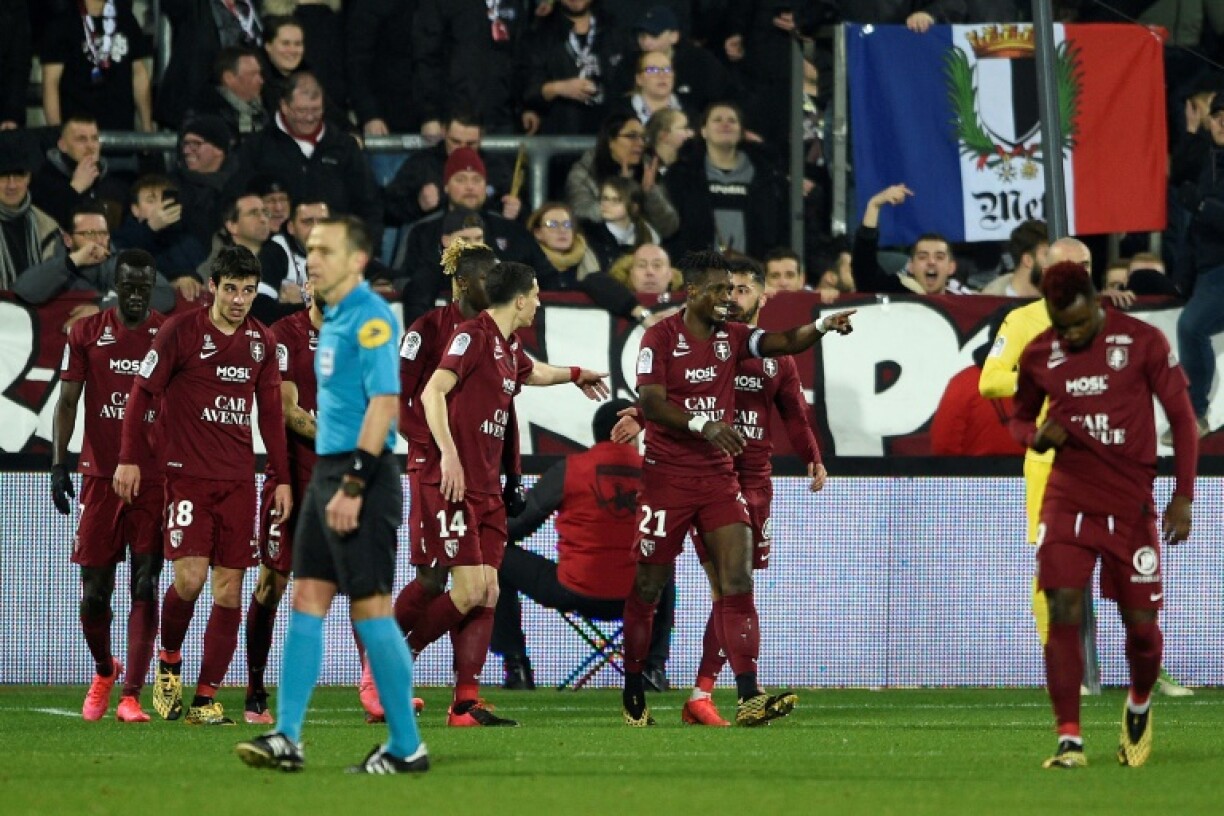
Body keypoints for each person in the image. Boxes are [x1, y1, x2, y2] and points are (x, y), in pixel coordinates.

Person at [621, 249, 854, 727]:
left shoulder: (735, 338)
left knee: (737, 582)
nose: (728, 299)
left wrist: (823, 326)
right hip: (667, 478)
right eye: (719, 291)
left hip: (720, 479)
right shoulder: (659, 337)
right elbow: (652, 402)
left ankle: (748, 695)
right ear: (693, 293)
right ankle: (633, 685)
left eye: (733, 290)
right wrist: (704, 423)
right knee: (649, 584)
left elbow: (785, 341)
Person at [236, 215, 428, 774]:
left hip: (359, 478)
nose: (312, 258)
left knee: (371, 611)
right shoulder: (335, 319)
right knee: (307, 601)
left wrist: (352, 483)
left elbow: (384, 405)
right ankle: (287, 736)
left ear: (357, 260)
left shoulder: (370, 319)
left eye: (325, 249)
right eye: (310, 249)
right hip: (327, 474)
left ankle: (406, 746)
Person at [1009, 261, 1199, 769]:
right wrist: (1033, 437)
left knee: (1141, 629)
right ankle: (1069, 739)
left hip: (1130, 506)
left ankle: (1138, 702)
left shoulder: (1143, 342)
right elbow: (1020, 417)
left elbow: (1182, 418)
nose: (1068, 334)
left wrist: (1184, 495)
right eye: (1059, 324)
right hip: (1068, 499)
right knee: (1063, 611)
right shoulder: (1038, 353)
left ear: (1096, 302)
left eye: (1077, 323)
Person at [981, 237, 1191, 697]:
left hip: (1117, 468)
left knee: (1130, 567)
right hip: (1052, 466)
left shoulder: (1113, 324)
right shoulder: (1022, 321)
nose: (1078, 274)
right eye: (1069, 267)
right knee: (1055, 571)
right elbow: (990, 379)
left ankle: (1146, 668)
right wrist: (1047, 378)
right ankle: (1064, 671)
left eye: (1086, 265)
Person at [406, 260, 610, 726]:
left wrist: (577, 373)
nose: (539, 302)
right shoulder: (472, 337)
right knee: (469, 588)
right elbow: (433, 393)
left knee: (491, 589)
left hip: (487, 489)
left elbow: (533, 373)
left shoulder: (507, 345)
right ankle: (399, 658)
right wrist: (450, 455)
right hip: (457, 484)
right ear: (519, 299)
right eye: (535, 294)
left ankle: (465, 704)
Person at [113, 245, 292, 726]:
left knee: (230, 590)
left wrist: (282, 479)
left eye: (248, 290)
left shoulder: (262, 342)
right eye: (231, 289)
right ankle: (169, 660)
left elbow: (271, 416)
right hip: (186, 474)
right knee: (189, 580)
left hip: (237, 480)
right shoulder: (180, 331)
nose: (239, 299)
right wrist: (129, 458)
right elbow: (141, 394)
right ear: (213, 286)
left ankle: (205, 699)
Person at [387, 238, 500, 721]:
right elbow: (399, 399)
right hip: (439, 471)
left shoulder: (497, 334)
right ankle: (384, 660)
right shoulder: (427, 329)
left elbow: (504, 407)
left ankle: (466, 698)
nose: (494, 285)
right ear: (461, 282)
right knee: (436, 579)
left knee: (485, 586)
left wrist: (509, 471)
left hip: (482, 476)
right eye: (486, 276)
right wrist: (437, 452)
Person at [51, 249, 166, 723]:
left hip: (154, 479)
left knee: (146, 580)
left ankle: (132, 695)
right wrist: (60, 466)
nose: (136, 293)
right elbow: (67, 401)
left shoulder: (170, 334)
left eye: (144, 285)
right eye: (129, 285)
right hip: (99, 478)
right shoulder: (86, 333)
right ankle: (104, 669)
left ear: (152, 284)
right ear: (116, 284)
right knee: (95, 594)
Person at [491, 397, 675, 690]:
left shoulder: (572, 469)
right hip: (637, 597)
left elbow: (519, 524)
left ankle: (517, 668)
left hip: (572, 590)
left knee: (495, 557)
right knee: (662, 563)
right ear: (629, 433)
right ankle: (653, 668)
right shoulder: (657, 474)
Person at [396, 148, 548, 323]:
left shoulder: (512, 230)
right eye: (461, 179)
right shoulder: (422, 231)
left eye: (477, 180)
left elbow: (546, 278)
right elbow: (402, 280)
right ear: (445, 185)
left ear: (485, 186)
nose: (470, 186)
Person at [238, 71, 383, 242]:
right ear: (284, 106)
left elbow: (369, 203)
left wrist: (367, 247)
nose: (309, 117)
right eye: (301, 110)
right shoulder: (257, 146)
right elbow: (241, 200)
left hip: (336, 247)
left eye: (315, 110)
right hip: (273, 248)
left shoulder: (344, 146)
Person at [14, 203, 178, 328]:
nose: (99, 240)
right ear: (68, 240)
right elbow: (23, 293)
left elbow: (164, 295)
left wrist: (102, 309)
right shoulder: (56, 265)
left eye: (103, 233)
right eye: (89, 234)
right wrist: (73, 261)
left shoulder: (122, 262)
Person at [664, 101, 788, 259]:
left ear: (741, 132)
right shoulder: (681, 175)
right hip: (697, 273)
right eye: (717, 120)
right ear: (703, 131)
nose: (725, 125)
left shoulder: (767, 176)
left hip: (753, 273)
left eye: (732, 121)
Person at [384, 112, 518, 229]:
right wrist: (418, 204)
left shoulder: (496, 167)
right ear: (443, 132)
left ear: (481, 137)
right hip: (430, 243)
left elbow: (523, 209)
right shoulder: (422, 164)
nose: (462, 149)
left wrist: (514, 210)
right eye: (455, 141)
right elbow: (386, 210)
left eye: (471, 143)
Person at [39, 0, 153, 132]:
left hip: (122, 132)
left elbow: (138, 74)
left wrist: (147, 126)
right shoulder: (62, 23)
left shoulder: (126, 19)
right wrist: (56, 134)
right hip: (78, 137)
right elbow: (51, 83)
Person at [565, 112, 678, 239]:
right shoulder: (585, 171)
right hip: (597, 246)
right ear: (610, 141)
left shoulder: (648, 170)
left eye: (643, 138)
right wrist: (623, 193)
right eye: (632, 136)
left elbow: (669, 227)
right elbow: (581, 214)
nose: (640, 143)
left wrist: (650, 194)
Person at [852, 183, 974, 295]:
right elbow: (865, 272)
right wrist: (874, 206)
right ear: (911, 266)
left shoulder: (966, 301)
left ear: (951, 267)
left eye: (939, 257)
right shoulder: (898, 293)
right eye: (922, 257)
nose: (931, 262)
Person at [111, 174, 208, 298]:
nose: (159, 206)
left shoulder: (186, 238)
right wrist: (150, 229)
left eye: (164, 199)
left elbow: (204, 269)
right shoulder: (123, 237)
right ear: (135, 209)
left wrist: (192, 278)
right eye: (151, 201)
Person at [29, 116, 130, 231]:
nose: (90, 146)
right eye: (81, 139)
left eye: (94, 138)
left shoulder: (113, 183)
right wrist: (75, 188)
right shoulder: (42, 181)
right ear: (63, 145)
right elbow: (45, 226)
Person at [0, 140, 61, 291]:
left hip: (36, 309)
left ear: (29, 178)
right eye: (3, 176)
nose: (12, 185)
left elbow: (55, 280)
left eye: (19, 175)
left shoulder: (47, 226)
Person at [189, 45, 268, 140]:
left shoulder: (262, 113)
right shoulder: (204, 116)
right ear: (229, 78)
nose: (261, 80)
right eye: (252, 74)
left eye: (259, 73)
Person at [582, 176, 660, 271]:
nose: (606, 204)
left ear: (634, 207)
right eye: (605, 198)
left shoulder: (649, 235)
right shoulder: (590, 233)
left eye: (616, 200)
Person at [527, 201, 601, 290]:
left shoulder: (589, 259)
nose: (562, 230)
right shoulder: (528, 265)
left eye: (567, 224)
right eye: (553, 224)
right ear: (537, 232)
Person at [982, 220, 1049, 298]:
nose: (1056, 261)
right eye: (1048, 255)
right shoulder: (988, 304)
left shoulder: (1061, 303)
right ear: (1028, 260)